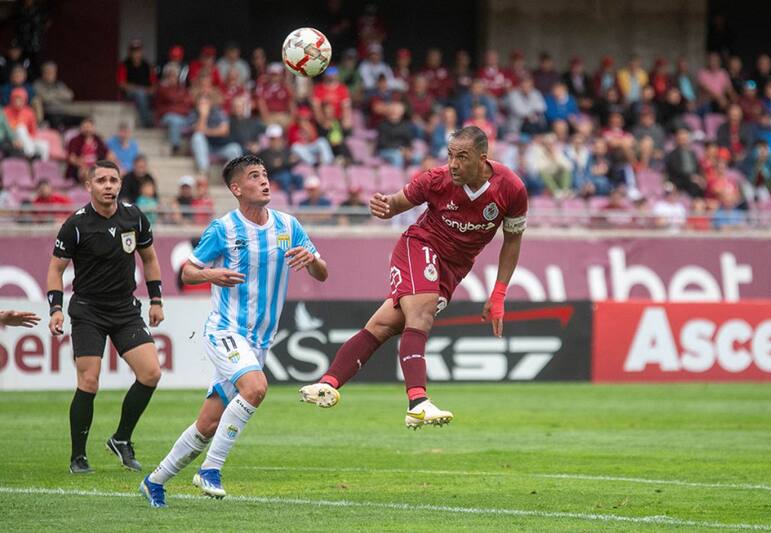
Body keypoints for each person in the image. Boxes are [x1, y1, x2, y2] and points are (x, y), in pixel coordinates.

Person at [298, 126, 528, 429]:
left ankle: (327, 383)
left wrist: (498, 293)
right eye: (450, 156)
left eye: (462, 157)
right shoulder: (436, 179)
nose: (454, 164)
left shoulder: (511, 189)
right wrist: (383, 206)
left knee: (383, 325)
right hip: (419, 246)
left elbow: (512, 240)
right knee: (421, 312)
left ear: (482, 159)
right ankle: (418, 402)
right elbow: (396, 203)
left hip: (454, 269)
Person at [140, 154, 328, 507]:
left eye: (266, 174)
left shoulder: (288, 225)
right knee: (256, 388)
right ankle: (211, 469)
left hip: (259, 342)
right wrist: (214, 274)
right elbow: (187, 272)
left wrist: (313, 261)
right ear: (236, 188)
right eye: (255, 176)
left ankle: (156, 480)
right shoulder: (223, 229)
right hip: (224, 330)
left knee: (208, 423)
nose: (264, 181)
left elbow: (322, 272)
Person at [47, 160, 165, 474]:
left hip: (125, 309)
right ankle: (78, 456)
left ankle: (121, 439)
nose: (109, 185)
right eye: (101, 180)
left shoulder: (134, 217)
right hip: (88, 311)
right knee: (89, 381)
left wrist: (156, 299)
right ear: (89, 186)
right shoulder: (76, 224)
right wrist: (56, 309)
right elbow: (55, 270)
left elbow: (150, 259)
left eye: (113, 179)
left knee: (151, 373)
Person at [187, 94, 242, 172]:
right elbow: (199, 131)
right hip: (205, 147)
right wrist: (203, 115)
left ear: (210, 103)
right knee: (197, 137)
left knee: (235, 148)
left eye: (205, 103)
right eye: (200, 104)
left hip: (220, 147)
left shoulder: (218, 113)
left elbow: (224, 131)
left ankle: (229, 176)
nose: (203, 106)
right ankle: (204, 170)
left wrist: (207, 131)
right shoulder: (193, 114)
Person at [257, 124, 303, 203]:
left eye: (277, 139)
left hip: (287, 173)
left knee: (299, 177)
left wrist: (281, 162)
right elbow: (270, 166)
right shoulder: (264, 153)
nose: (275, 141)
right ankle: (289, 202)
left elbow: (294, 161)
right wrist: (286, 162)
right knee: (285, 177)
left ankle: (299, 199)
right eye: (273, 139)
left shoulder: (285, 150)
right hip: (273, 175)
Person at [117, 40, 156, 127]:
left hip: (147, 92)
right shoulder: (124, 65)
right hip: (130, 93)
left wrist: (150, 90)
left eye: (138, 51)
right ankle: (147, 123)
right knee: (140, 94)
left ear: (141, 52)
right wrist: (139, 89)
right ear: (130, 52)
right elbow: (122, 84)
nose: (136, 53)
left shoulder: (147, 65)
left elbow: (154, 84)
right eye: (134, 51)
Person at [34, 61, 83, 129]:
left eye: (52, 73)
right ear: (43, 74)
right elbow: (45, 98)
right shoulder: (38, 84)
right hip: (49, 112)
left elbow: (69, 95)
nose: (50, 75)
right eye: (48, 72)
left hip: (63, 111)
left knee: (83, 120)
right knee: (56, 121)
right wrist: (59, 95)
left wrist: (53, 95)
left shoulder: (59, 84)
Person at [4, 86, 47, 160]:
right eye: (15, 99)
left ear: (25, 100)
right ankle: (29, 156)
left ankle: (41, 168)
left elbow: (33, 131)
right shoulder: (5, 111)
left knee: (44, 146)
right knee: (20, 128)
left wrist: (30, 139)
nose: (18, 101)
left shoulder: (29, 112)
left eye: (20, 99)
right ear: (11, 99)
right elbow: (5, 130)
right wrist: (14, 139)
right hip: (12, 139)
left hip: (27, 139)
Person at [66, 118, 110, 184]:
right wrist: (83, 165)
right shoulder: (75, 140)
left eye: (89, 127)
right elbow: (72, 158)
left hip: (97, 166)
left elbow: (108, 153)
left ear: (93, 128)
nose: (87, 129)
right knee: (88, 173)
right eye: (85, 127)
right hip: (80, 168)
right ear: (81, 128)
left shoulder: (98, 139)